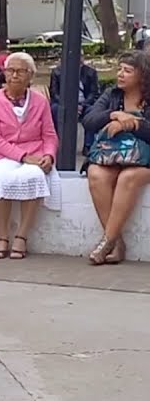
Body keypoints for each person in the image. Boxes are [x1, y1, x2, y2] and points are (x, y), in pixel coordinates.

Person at [0, 52, 59, 260]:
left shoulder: (40, 102)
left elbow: (50, 135)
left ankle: (22, 237)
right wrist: (24, 156)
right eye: (10, 70)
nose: (15, 75)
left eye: (21, 71)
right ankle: (2, 236)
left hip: (34, 153)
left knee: (34, 176)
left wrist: (49, 156)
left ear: (30, 76)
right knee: (1, 178)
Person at [83, 51, 150, 265]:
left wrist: (132, 124)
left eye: (127, 71)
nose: (120, 74)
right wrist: (114, 115)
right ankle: (116, 242)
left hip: (144, 159)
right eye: (120, 69)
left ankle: (106, 242)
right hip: (111, 155)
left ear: (142, 75)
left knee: (128, 178)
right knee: (96, 173)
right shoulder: (111, 95)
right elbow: (89, 120)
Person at [48, 52, 101, 154]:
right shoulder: (57, 72)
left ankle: (88, 145)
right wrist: (68, 105)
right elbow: (54, 93)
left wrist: (82, 105)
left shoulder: (91, 72)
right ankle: (57, 144)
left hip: (84, 103)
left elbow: (93, 93)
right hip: (63, 103)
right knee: (54, 109)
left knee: (92, 111)